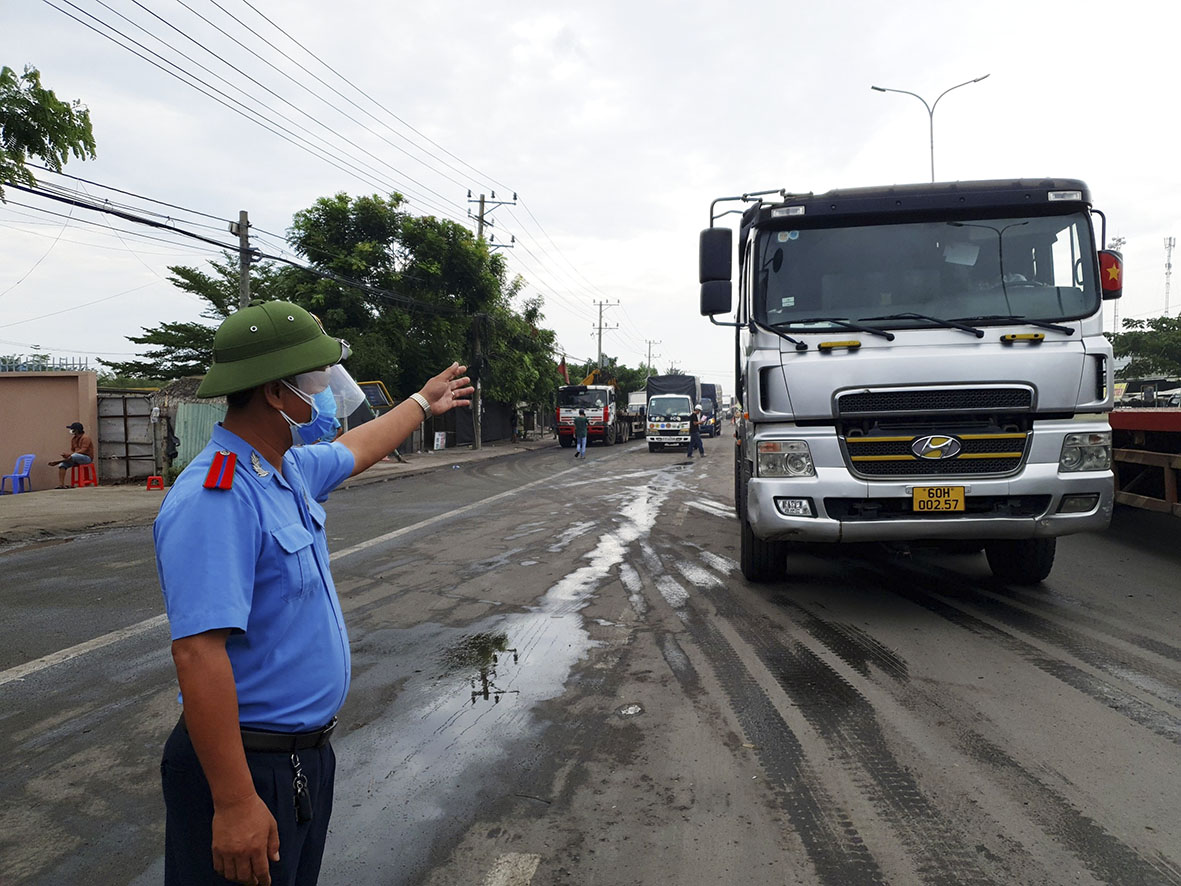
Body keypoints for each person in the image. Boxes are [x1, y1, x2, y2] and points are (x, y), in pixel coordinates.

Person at [153, 299, 473, 886]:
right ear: (277, 394)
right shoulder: (216, 495)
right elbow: (198, 653)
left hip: (301, 760)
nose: (329, 393)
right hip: (248, 767)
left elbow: (361, 446)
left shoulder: (286, 469)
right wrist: (233, 801)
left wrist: (423, 402)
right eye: (318, 380)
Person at [48, 421, 95, 487]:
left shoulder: (85, 438)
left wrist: (70, 455)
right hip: (75, 458)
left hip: (86, 458)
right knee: (62, 465)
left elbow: (84, 450)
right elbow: (73, 450)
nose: (71, 431)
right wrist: (69, 455)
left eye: (72, 429)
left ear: (76, 430)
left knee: (74, 455)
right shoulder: (73, 439)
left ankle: (58, 461)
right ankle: (61, 484)